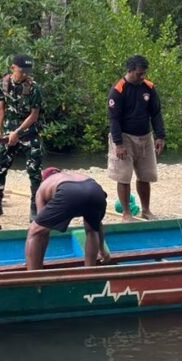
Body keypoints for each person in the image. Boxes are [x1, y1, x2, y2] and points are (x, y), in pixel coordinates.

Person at [0, 54, 43, 218]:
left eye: (27, 72)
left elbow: (34, 115)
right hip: (9, 131)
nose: (24, 75)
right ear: (13, 68)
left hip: (30, 132)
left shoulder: (33, 88)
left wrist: (18, 133)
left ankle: (35, 209)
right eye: (21, 71)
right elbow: (0, 108)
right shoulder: (2, 84)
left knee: (34, 170)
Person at [108, 55, 165, 221]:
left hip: (145, 136)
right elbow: (114, 119)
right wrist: (118, 144)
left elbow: (156, 113)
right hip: (124, 137)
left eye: (144, 73)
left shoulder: (149, 87)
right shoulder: (118, 90)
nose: (142, 77)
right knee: (124, 176)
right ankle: (126, 213)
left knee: (146, 175)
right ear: (130, 71)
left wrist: (160, 136)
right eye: (139, 74)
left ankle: (146, 210)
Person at [25, 167, 111, 270]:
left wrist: (35, 258)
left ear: (45, 179)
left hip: (69, 191)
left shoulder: (43, 186)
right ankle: (89, 272)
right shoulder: (73, 175)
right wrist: (102, 250)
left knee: (34, 231)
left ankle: (34, 276)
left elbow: (42, 229)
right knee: (92, 230)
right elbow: (98, 225)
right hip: (95, 189)